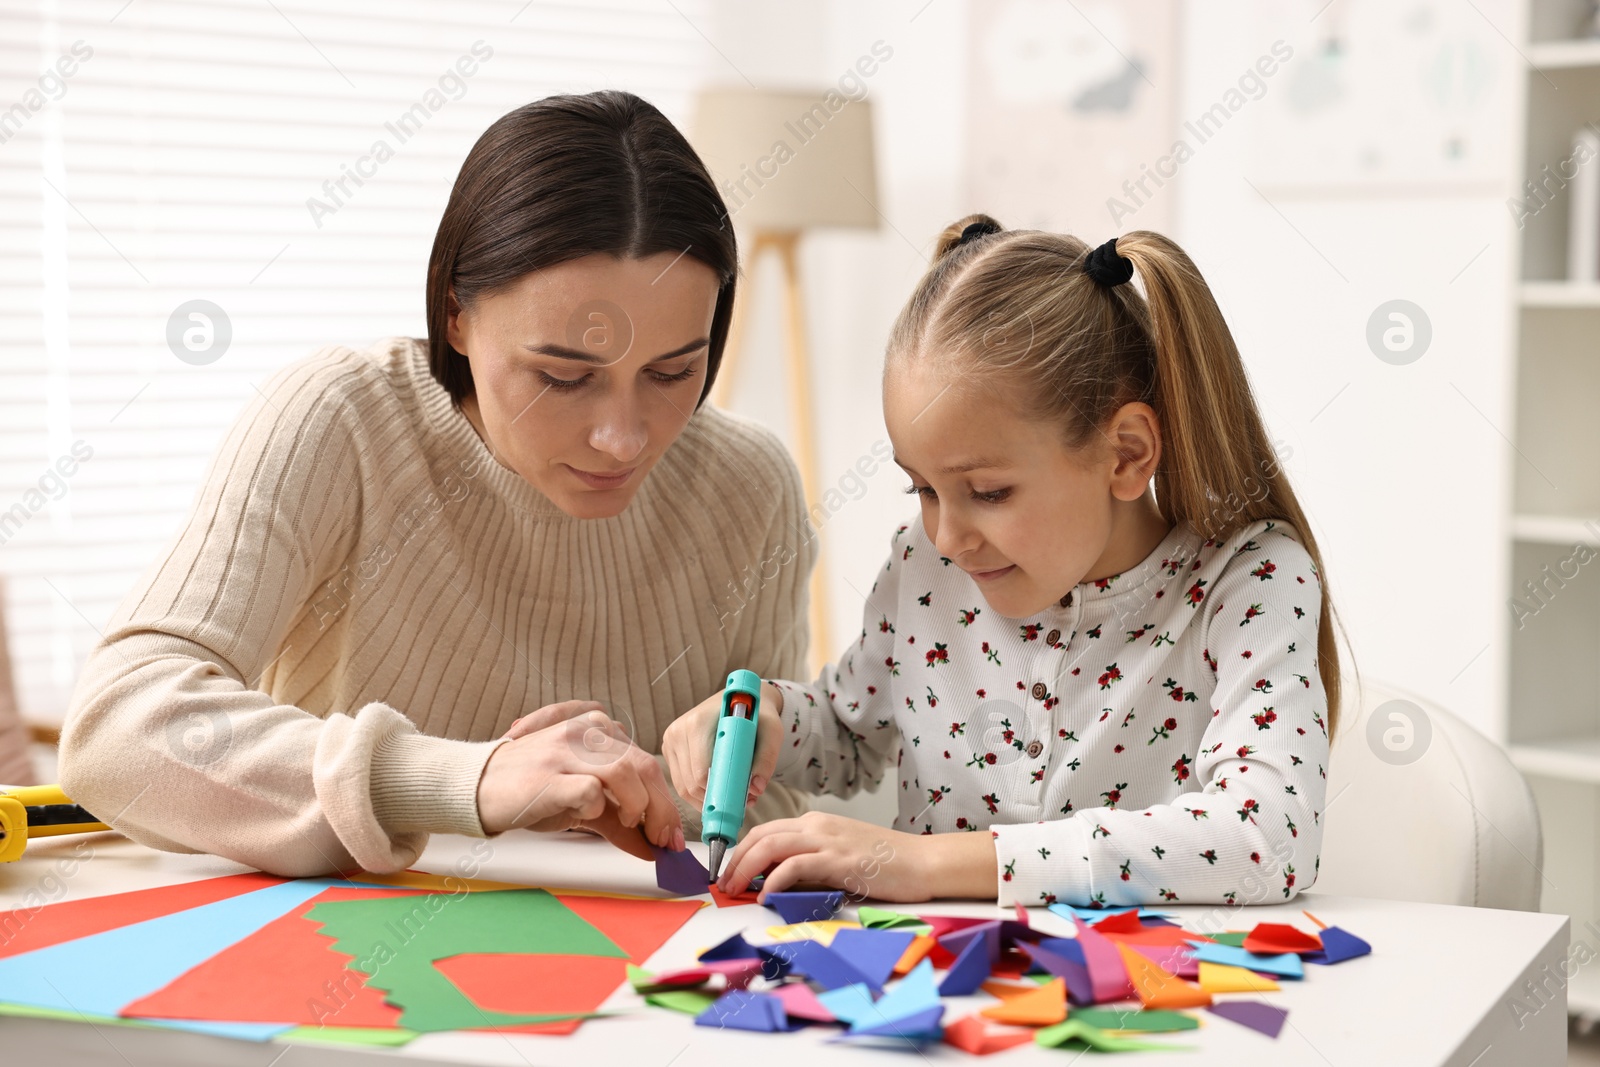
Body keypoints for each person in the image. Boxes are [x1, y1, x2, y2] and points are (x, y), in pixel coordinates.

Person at [59, 91, 816, 877]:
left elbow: (772, 801)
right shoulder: (339, 424)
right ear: (456, 315)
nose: (623, 437)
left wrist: (625, 803)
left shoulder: (749, 485)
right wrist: (470, 778)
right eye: (562, 376)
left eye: (672, 371)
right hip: (341, 969)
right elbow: (116, 733)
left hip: (631, 970)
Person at [664, 217, 1342, 907]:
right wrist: (772, 715)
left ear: (1128, 453)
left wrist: (926, 864)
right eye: (921, 488)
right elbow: (849, 730)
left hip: (1140, 1003)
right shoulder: (925, 567)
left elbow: (1269, 836)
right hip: (937, 996)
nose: (948, 535)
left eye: (987, 492)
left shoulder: (1252, 582)